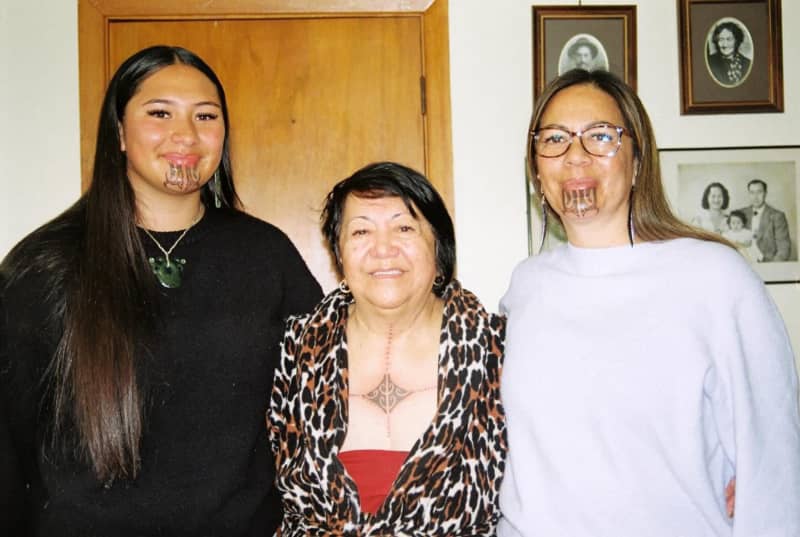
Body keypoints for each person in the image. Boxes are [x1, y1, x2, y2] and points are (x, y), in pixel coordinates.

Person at [0, 45, 322, 536]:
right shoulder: (44, 265)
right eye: (159, 113)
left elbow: (325, 402)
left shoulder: (266, 256)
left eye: (205, 115)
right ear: (119, 132)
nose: (185, 136)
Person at [498, 68, 800, 536]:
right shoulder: (526, 287)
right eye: (554, 139)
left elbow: (776, 464)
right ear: (537, 169)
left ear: (638, 161)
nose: (575, 156)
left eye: (601, 136)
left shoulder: (716, 278)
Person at [269, 162, 506, 536]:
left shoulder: (497, 350)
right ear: (339, 254)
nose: (383, 249)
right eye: (361, 230)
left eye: (404, 227)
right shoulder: (296, 350)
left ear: (439, 248)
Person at [734, 178, 792, 262]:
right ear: (748, 194)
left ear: (765, 193)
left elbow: (784, 247)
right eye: (752, 192)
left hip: (769, 264)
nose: (755, 197)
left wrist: (772, 268)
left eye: (759, 192)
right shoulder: (740, 214)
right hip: (744, 264)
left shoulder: (777, 216)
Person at [707, 20, 752, 87]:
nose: (725, 45)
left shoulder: (747, 63)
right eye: (721, 39)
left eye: (729, 39)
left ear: (737, 41)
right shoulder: (710, 62)